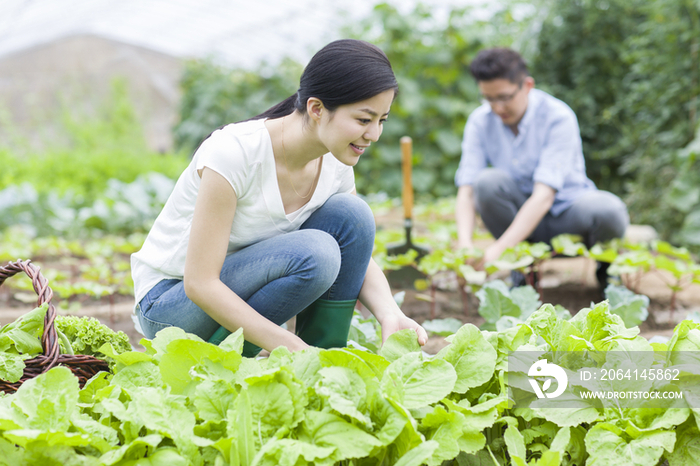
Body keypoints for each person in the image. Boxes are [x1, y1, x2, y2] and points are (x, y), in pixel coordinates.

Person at [131, 39, 428, 356]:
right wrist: (286, 344)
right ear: (316, 109)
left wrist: (389, 313)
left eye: (381, 120)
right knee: (316, 254)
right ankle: (215, 360)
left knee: (352, 215)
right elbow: (200, 284)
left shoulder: (334, 162)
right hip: (169, 306)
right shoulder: (235, 153)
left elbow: (355, 247)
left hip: (236, 288)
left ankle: (324, 358)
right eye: (363, 120)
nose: (374, 135)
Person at [454, 47, 629, 288]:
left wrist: (496, 251)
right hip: (519, 218)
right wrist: (465, 244)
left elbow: (544, 197)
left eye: (504, 98)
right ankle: (522, 267)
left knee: (610, 210)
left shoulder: (557, 117)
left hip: (567, 216)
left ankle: (606, 270)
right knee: (486, 182)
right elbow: (467, 190)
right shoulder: (480, 121)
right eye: (489, 98)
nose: (497, 108)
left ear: (527, 85)